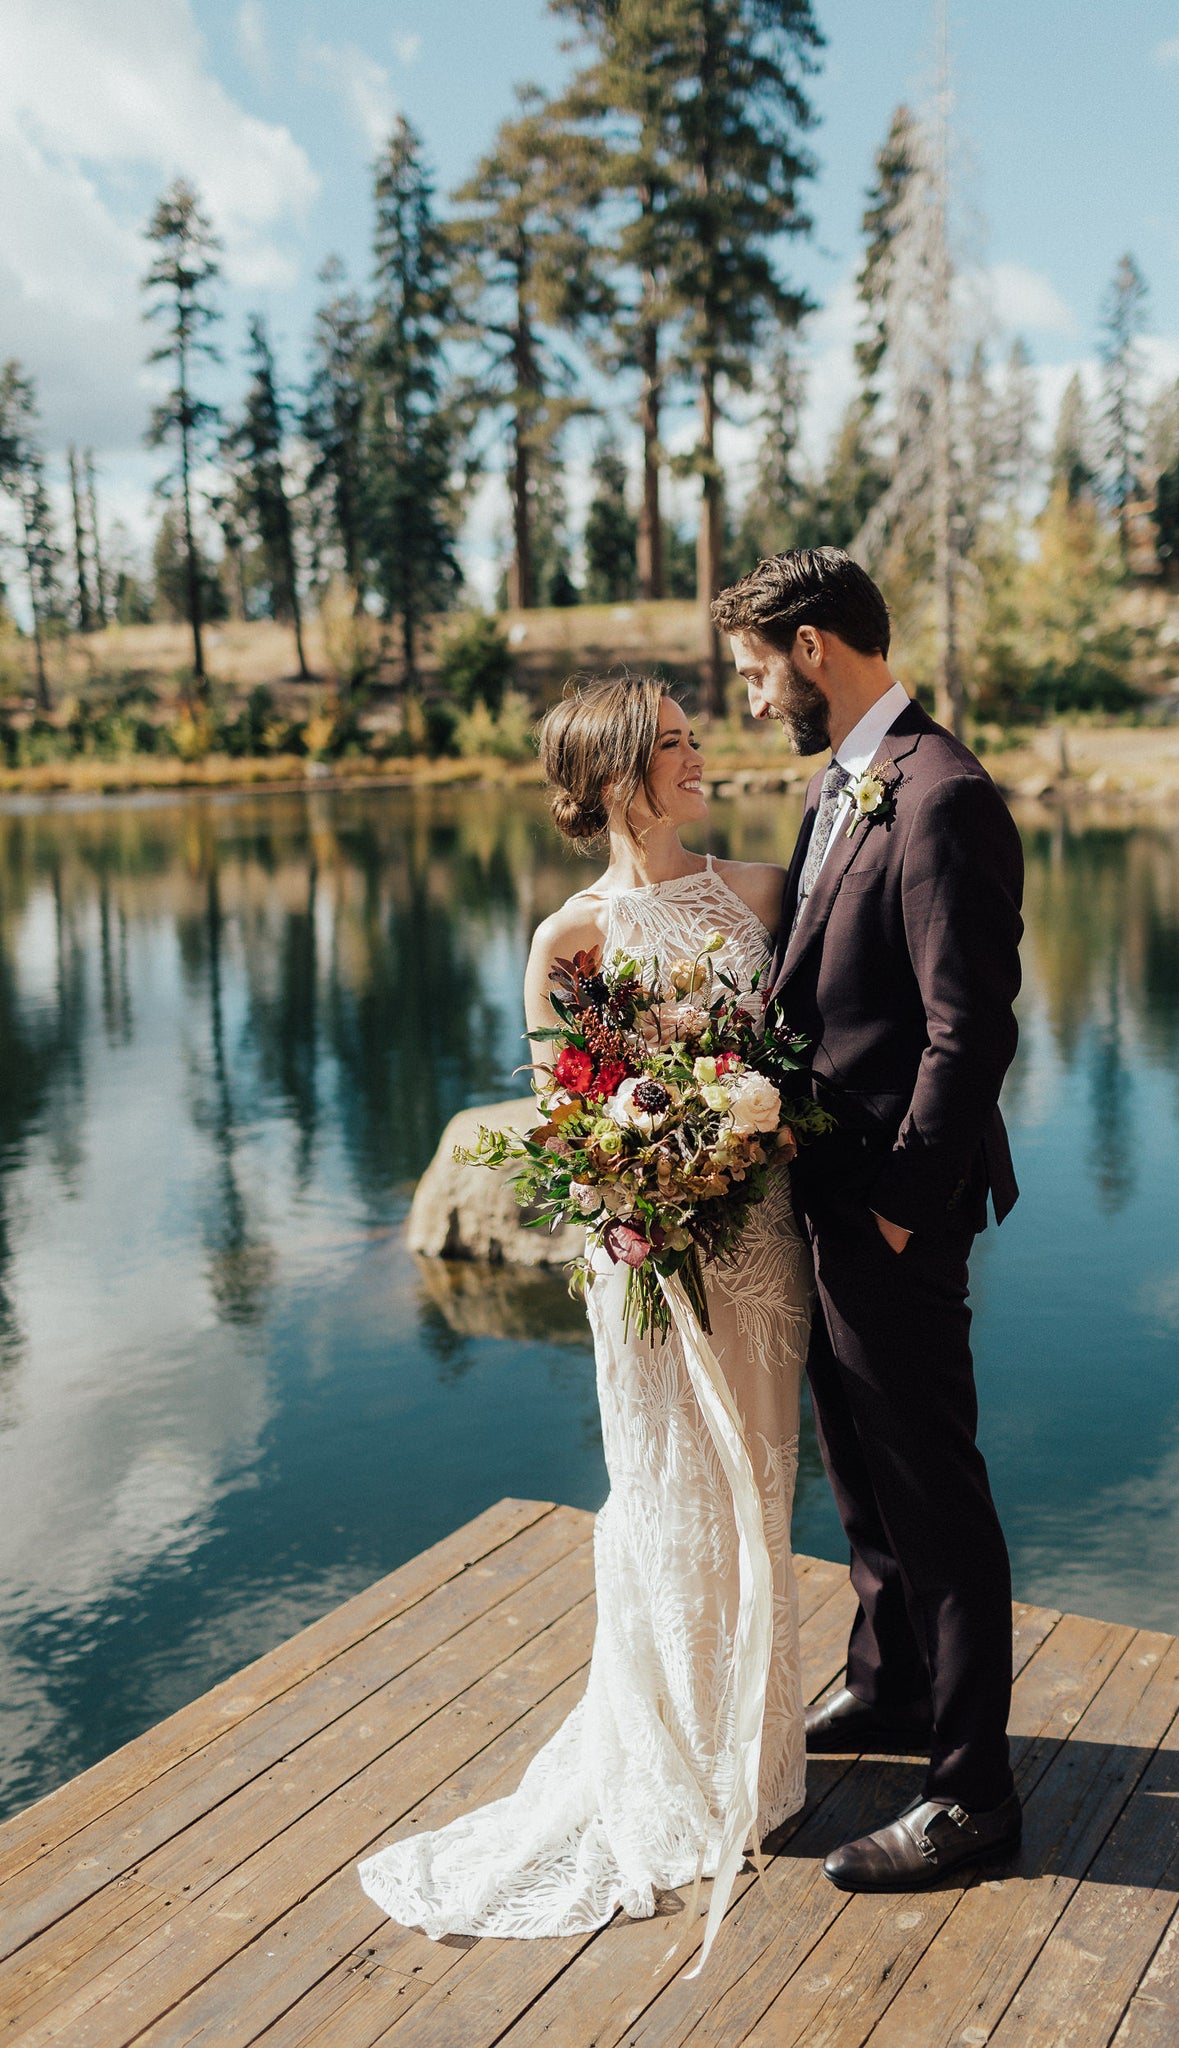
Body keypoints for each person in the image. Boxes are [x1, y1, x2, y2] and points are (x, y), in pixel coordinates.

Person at [357, 673, 813, 1956]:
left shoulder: (765, 891)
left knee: (764, 1487)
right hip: (653, 1261)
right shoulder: (569, 938)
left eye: (692, 733)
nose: (699, 751)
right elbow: (571, 1130)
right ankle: (678, 1763)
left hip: (764, 1250)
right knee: (668, 1488)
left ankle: (760, 1762)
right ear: (617, 775)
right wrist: (650, 1175)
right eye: (673, 742)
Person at [712, 546, 1025, 1892]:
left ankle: (971, 1795)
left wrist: (902, 1210)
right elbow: (821, 988)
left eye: (749, 673)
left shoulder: (941, 795)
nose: (746, 700)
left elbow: (969, 1033)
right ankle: (890, 1688)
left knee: (934, 1495)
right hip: (825, 1199)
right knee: (860, 1476)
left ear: (813, 649)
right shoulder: (843, 782)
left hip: (894, 1208)